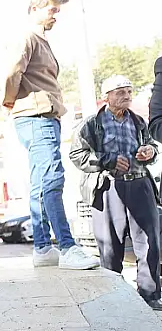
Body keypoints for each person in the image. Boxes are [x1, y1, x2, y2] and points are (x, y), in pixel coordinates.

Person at [3, 0, 100, 271]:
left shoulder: (37, 39)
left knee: (40, 183)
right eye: (51, 10)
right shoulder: (28, 37)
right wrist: (10, 100)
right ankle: (67, 247)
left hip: (39, 117)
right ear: (35, 8)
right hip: (37, 116)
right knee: (52, 179)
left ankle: (43, 246)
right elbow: (12, 72)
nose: (55, 15)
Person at [69, 75, 162, 311]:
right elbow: (77, 155)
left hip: (140, 184)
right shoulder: (91, 124)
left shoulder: (139, 122)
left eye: (129, 91)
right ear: (106, 97)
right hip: (108, 186)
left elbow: (154, 146)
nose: (126, 96)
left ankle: (150, 295)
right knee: (110, 246)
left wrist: (149, 151)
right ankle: (115, 297)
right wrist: (106, 161)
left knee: (150, 242)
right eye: (120, 92)